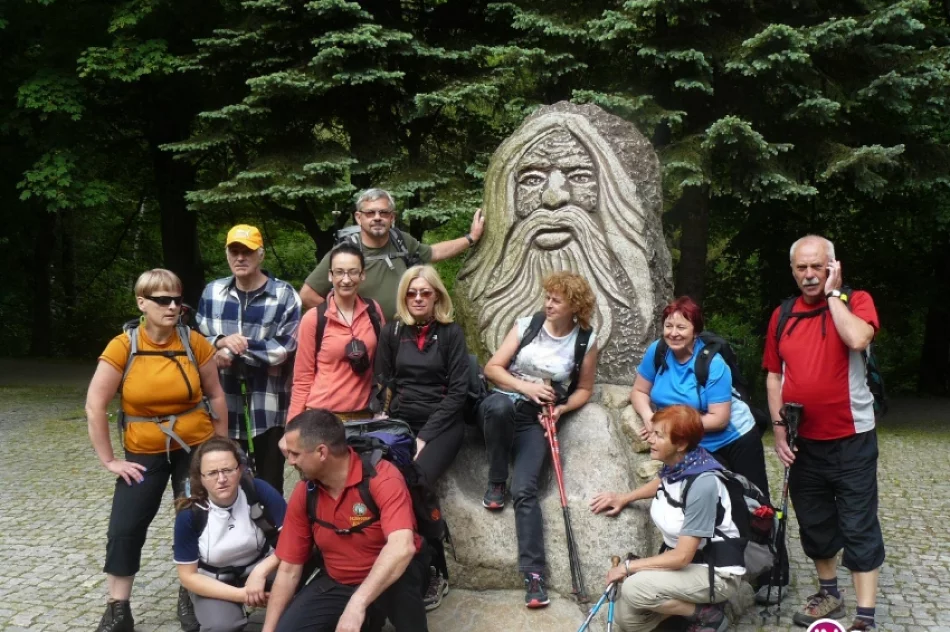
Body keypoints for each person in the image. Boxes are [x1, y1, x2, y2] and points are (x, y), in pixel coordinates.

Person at [86, 269, 228, 632]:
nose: (172, 306)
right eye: (162, 300)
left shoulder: (194, 342)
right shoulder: (124, 345)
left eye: (177, 299)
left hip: (194, 446)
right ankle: (118, 610)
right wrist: (109, 460)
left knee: (197, 519)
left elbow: (215, 396)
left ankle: (193, 592)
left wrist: (220, 447)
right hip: (143, 451)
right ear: (142, 303)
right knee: (125, 525)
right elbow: (95, 405)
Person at [630, 295, 787, 601]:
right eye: (669, 325)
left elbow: (718, 418)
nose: (674, 332)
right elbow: (639, 391)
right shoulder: (657, 352)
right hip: (691, 440)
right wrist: (651, 420)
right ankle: (715, 569)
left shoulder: (712, 363)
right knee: (709, 505)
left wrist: (670, 428)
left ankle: (775, 574)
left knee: (756, 504)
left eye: (682, 326)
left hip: (733, 437)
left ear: (696, 330)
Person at [763, 235, 883, 631]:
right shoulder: (782, 314)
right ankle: (829, 594)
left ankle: (864, 618)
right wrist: (780, 430)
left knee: (858, 524)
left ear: (832, 266)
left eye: (818, 266)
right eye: (802, 267)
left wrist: (834, 296)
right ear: (793, 270)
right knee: (815, 523)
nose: (810, 275)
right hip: (803, 443)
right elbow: (774, 375)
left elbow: (857, 338)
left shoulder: (856, 301)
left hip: (852, 438)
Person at [478, 271, 599, 608]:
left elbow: (585, 389)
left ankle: (534, 575)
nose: (548, 303)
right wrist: (527, 387)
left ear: (574, 305)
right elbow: (493, 368)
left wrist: (561, 410)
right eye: (546, 297)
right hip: (501, 405)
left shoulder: (585, 340)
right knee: (499, 406)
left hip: (538, 418)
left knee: (526, 490)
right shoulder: (526, 325)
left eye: (556, 299)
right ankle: (496, 480)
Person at [262, 409, 428, 632]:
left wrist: (356, 605)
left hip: (391, 578)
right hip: (337, 579)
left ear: (322, 452)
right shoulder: (305, 492)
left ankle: (370, 612)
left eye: (295, 454)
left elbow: (402, 547)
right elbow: (289, 569)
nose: (290, 462)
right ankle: (368, 616)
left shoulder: (383, 478)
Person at [590, 405, 744, 632]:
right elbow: (663, 483)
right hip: (689, 566)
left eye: (658, 435)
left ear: (680, 444)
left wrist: (629, 567)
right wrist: (625, 497)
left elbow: (682, 556)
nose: (650, 439)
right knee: (627, 620)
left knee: (634, 588)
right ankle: (684, 610)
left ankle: (706, 614)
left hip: (715, 571)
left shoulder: (703, 483)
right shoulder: (680, 465)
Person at [372, 264, 468, 610]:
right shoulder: (393, 331)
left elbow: (459, 392)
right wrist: (381, 417)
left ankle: (434, 567)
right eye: (411, 293)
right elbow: (382, 380)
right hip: (401, 420)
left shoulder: (451, 333)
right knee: (378, 478)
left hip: (442, 423)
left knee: (417, 479)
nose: (417, 298)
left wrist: (424, 436)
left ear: (436, 296)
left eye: (425, 292)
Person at [196, 224, 302, 496]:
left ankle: (272, 537)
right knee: (227, 484)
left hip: (267, 406)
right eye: (235, 251)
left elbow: (284, 348)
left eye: (248, 251)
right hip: (223, 407)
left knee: (269, 485)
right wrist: (219, 341)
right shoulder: (212, 292)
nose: (240, 257)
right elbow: (197, 341)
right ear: (227, 254)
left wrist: (233, 348)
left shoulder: (284, 295)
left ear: (261, 255)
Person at [299, 188, 485, 317]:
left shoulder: (401, 241)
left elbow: (434, 253)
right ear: (358, 217)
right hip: (363, 341)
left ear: (392, 217)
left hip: (404, 337)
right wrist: (345, 319)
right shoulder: (345, 252)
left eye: (383, 212)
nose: (377, 218)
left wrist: (471, 238)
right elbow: (307, 295)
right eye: (370, 213)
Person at [174, 437, 287, 632]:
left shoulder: (258, 490)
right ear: (200, 477)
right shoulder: (190, 514)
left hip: (262, 566)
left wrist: (260, 573)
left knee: (295, 605)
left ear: (240, 469)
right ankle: (205, 605)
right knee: (222, 626)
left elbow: (294, 542)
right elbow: (188, 577)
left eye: (228, 470)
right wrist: (244, 595)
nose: (221, 479)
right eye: (212, 473)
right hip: (213, 577)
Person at [291, 243, 383, 421]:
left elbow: (382, 364)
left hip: (365, 416)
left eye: (353, 272)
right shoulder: (314, 319)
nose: (346, 279)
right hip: (322, 417)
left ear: (362, 274)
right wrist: (292, 427)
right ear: (330, 275)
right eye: (339, 272)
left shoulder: (373, 312)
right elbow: (302, 378)